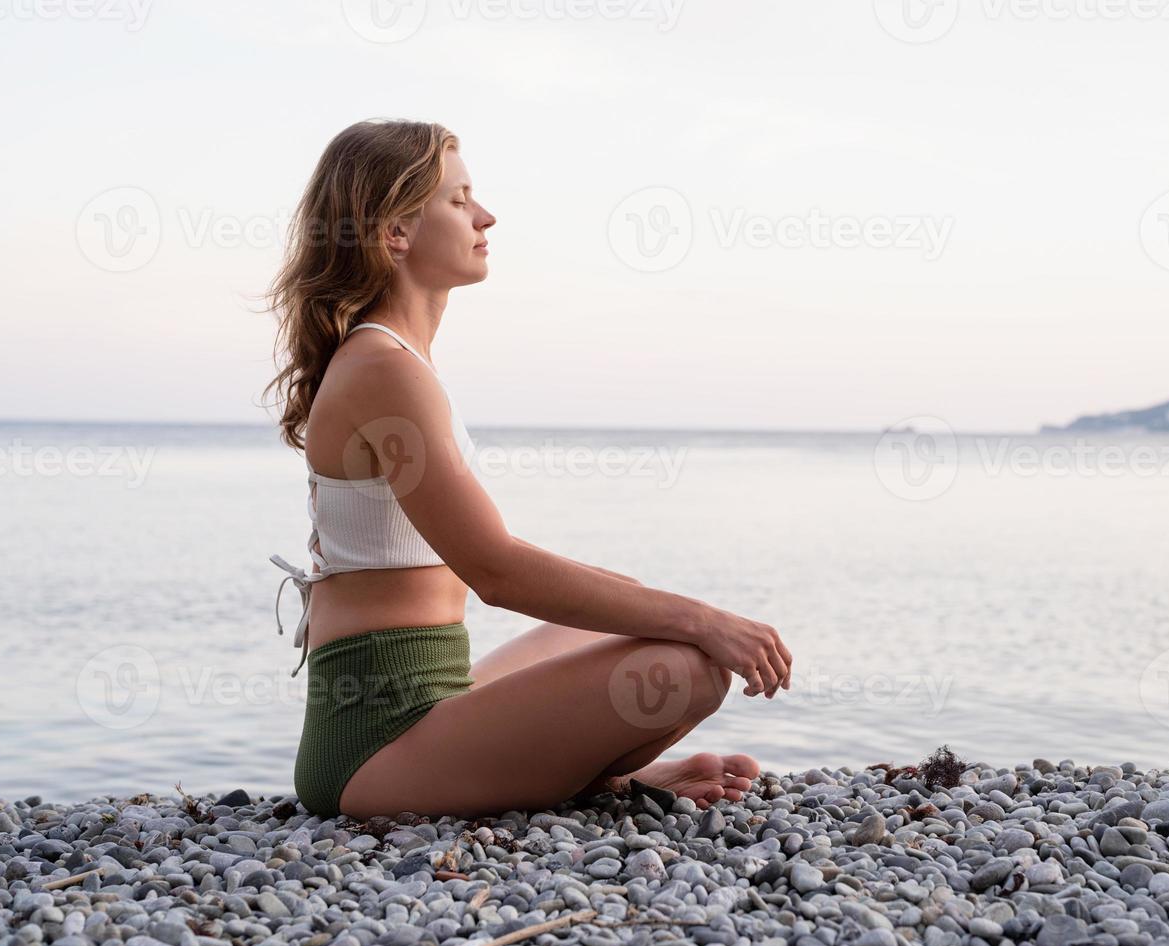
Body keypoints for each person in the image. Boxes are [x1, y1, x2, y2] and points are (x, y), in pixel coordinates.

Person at [263, 119, 791, 820]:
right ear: (395, 231)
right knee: (684, 668)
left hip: (434, 699)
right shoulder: (382, 368)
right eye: (458, 201)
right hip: (372, 745)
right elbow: (495, 571)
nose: (485, 216)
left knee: (623, 606)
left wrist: (688, 617)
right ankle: (591, 779)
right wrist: (706, 620)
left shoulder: (394, 360)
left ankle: (592, 775)